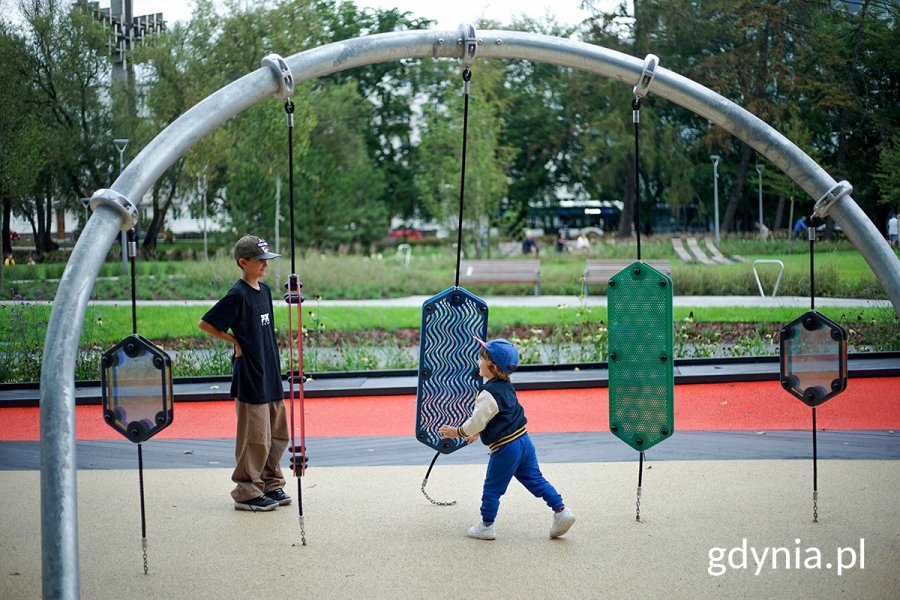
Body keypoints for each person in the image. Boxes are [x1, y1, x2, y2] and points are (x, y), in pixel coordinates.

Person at [438, 337, 575, 540]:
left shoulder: (487, 394)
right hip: (523, 441)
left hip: (505, 448)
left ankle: (486, 526)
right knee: (535, 479)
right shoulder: (507, 386)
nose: (478, 361)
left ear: (491, 366)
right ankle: (561, 511)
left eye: (481, 358)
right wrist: (479, 433)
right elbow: (502, 415)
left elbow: (477, 420)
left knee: (492, 488)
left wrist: (458, 431)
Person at [198, 234, 292, 512]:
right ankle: (247, 491)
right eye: (259, 261)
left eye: (267, 260)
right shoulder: (237, 294)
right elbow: (206, 324)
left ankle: (270, 482)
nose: (265, 265)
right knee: (255, 437)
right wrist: (234, 341)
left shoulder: (264, 291)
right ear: (243, 262)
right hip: (250, 376)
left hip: (270, 373)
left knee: (278, 433)